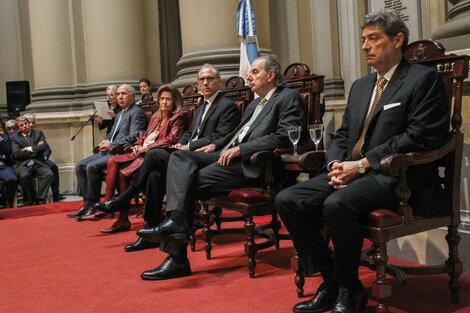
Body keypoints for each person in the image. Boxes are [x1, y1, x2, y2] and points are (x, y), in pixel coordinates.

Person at [275, 11, 449, 313]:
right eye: (363, 40)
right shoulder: (361, 86)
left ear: (397, 40)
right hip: (353, 172)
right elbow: (343, 134)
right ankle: (334, 280)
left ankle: (347, 289)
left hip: (396, 176)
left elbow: (419, 136)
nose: (366, 46)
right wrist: (336, 165)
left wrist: (363, 165)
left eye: (374, 38)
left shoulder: (423, 80)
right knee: (288, 198)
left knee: (336, 204)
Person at [135, 55, 304, 280]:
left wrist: (243, 150)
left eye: (254, 72)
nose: (248, 76)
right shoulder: (255, 103)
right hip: (226, 155)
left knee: (185, 181)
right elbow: (236, 135)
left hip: (252, 165)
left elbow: (285, 135)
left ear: (271, 75)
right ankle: (175, 224)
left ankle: (176, 255)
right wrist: (217, 145)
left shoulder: (287, 97)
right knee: (179, 157)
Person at [96, 64, 241, 250]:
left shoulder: (226, 106)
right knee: (155, 176)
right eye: (202, 80)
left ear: (219, 82)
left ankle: (126, 197)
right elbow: (190, 132)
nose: (206, 83)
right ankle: (151, 230)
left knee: (155, 154)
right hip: (187, 152)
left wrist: (188, 145)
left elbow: (220, 137)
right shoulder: (202, 106)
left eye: (210, 79)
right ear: (198, 83)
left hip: (205, 155)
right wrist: (183, 142)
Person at [79, 84, 186, 234]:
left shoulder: (177, 117)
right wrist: (137, 144)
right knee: (121, 172)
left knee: (113, 162)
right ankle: (121, 217)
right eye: (161, 99)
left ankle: (112, 204)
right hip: (141, 152)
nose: (164, 102)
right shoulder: (156, 116)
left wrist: (147, 148)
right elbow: (143, 135)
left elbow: (170, 139)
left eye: (168, 99)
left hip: (154, 154)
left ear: (174, 101)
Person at [67, 84, 147, 219]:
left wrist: (111, 144)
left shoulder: (136, 112)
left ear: (133, 96)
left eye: (124, 94)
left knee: (92, 167)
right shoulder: (121, 112)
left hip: (120, 152)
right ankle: (86, 203)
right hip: (110, 149)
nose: (120, 97)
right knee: (80, 165)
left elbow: (133, 136)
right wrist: (105, 141)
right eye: (119, 94)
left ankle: (94, 204)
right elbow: (112, 133)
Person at [11, 116, 54, 205]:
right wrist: (35, 150)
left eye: (26, 123)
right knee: (25, 176)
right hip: (23, 164)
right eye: (21, 125)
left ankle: (39, 198)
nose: (25, 126)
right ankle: (30, 198)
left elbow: (43, 147)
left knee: (49, 174)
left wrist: (28, 148)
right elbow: (17, 154)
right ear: (18, 128)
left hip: (38, 162)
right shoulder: (15, 138)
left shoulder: (38, 133)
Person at [24, 113, 64, 202]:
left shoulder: (38, 133)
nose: (31, 125)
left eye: (33, 122)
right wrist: (36, 149)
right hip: (27, 161)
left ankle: (56, 194)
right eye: (28, 122)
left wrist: (45, 157)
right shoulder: (20, 135)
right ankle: (31, 196)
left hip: (41, 159)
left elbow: (47, 148)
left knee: (53, 166)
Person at [0, 123, 18, 207]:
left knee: (12, 178)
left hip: (3, 166)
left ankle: (7, 199)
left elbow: (8, 152)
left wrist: (1, 141)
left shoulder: (6, 139)